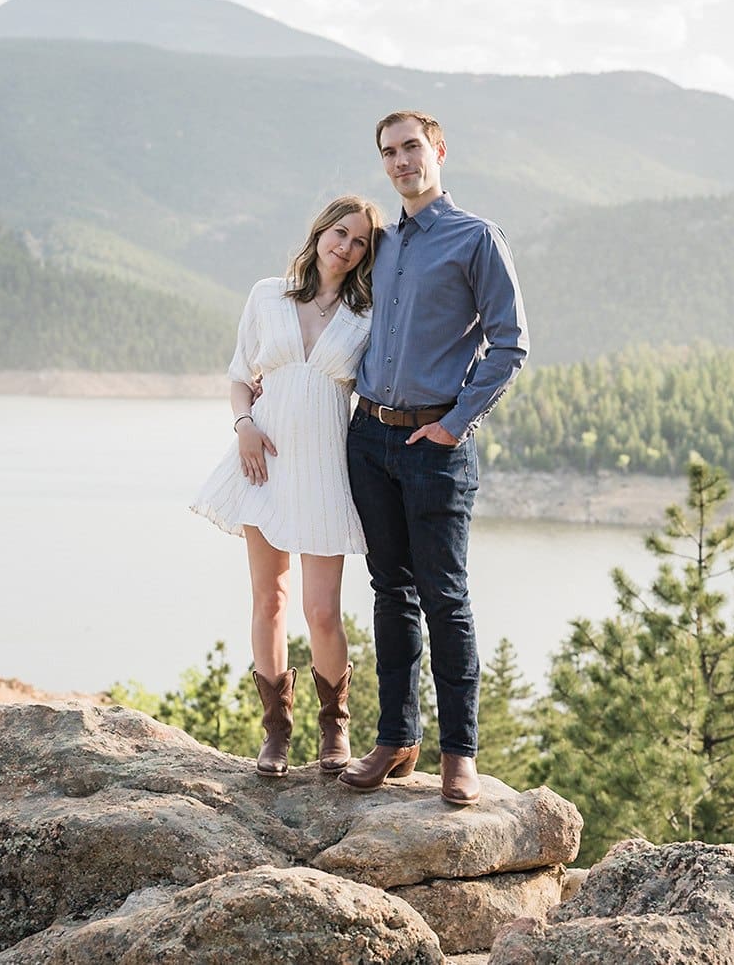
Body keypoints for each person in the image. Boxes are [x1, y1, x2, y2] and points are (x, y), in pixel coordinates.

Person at [338, 110, 528, 806]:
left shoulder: (476, 238)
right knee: (391, 592)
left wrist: (453, 424)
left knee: (446, 598)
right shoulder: (379, 242)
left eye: (411, 146)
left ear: (439, 149)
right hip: (370, 438)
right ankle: (395, 737)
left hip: (434, 445)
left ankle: (460, 754)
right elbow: (329, 308)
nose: (400, 161)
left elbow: (510, 344)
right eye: (388, 152)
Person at [190, 195, 383, 778]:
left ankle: (335, 726)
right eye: (339, 233)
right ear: (320, 231)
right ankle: (276, 732)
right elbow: (238, 375)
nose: (344, 247)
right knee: (268, 599)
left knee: (322, 611)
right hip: (263, 464)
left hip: (324, 470)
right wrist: (244, 425)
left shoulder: (367, 314)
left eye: (358, 243)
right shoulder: (267, 295)